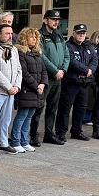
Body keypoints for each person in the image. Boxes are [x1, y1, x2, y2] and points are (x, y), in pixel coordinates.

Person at [31, 9, 69, 146]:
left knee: (53, 107)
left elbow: (66, 54)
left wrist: (63, 70)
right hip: (46, 76)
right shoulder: (40, 35)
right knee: (39, 107)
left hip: (58, 77)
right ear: (45, 20)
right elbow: (41, 55)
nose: (56, 22)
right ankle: (33, 135)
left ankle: (49, 134)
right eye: (53, 19)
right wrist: (55, 70)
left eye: (57, 20)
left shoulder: (59, 35)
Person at [55, 24, 97, 141]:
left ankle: (77, 131)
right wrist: (85, 70)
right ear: (73, 33)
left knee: (81, 108)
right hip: (71, 82)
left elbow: (95, 60)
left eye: (83, 33)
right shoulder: (68, 46)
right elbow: (71, 61)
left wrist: (90, 71)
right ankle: (61, 132)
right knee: (65, 109)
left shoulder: (88, 47)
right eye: (79, 33)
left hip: (84, 83)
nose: (82, 35)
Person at [0, 23, 22, 156]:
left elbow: (19, 69)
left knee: (6, 119)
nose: (10, 36)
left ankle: (3, 142)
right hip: (0, 90)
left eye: (11, 33)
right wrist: (9, 87)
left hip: (11, 91)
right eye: (7, 33)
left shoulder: (14, 49)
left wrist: (16, 86)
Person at [11, 27, 49, 153]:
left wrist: (43, 84)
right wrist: (36, 86)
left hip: (37, 90)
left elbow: (43, 70)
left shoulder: (38, 53)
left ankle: (24, 141)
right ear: (24, 38)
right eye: (31, 36)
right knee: (22, 115)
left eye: (36, 37)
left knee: (29, 116)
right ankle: (15, 141)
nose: (34, 39)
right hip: (27, 90)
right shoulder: (20, 52)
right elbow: (24, 72)